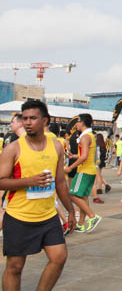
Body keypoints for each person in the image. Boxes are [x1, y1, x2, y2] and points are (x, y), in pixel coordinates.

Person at [0, 100, 75, 291]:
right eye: (24, 118)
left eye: (32, 118)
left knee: (59, 257)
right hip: (19, 217)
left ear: (44, 121)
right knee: (15, 267)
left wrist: (70, 211)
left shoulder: (56, 147)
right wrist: (28, 181)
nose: (27, 122)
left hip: (47, 216)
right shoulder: (14, 149)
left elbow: (60, 182)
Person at [65, 114, 102, 233]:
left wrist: (70, 167)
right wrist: (74, 156)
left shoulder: (85, 137)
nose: (76, 124)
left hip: (84, 171)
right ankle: (81, 224)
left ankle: (92, 216)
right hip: (90, 170)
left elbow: (84, 156)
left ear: (83, 123)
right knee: (83, 196)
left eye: (78, 121)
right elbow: (85, 154)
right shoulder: (89, 135)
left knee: (72, 194)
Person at [93, 133, 111, 202]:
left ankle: (99, 188)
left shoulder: (97, 146)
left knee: (97, 176)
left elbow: (98, 155)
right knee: (99, 175)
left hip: (97, 162)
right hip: (102, 162)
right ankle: (105, 185)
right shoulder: (103, 146)